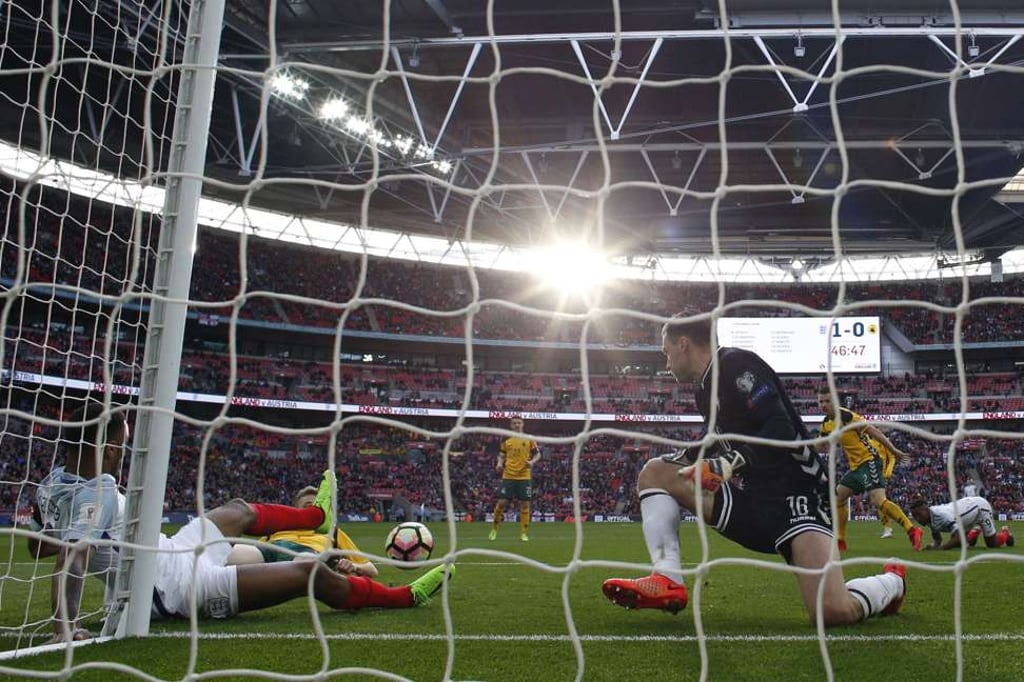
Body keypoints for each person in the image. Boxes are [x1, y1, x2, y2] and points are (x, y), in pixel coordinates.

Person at [27, 403, 451, 643]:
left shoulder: (52, 485)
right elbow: (72, 556)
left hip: (173, 549)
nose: (123, 453)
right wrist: (65, 627)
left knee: (237, 510)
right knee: (309, 573)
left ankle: (317, 516)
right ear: (106, 448)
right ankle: (404, 597)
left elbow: (39, 546)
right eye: (120, 445)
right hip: (176, 589)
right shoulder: (99, 489)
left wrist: (66, 533)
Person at [602, 314, 906, 627]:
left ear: (683, 344)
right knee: (656, 472)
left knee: (833, 612)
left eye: (666, 353)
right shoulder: (703, 391)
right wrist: (691, 459)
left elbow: (780, 428)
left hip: (798, 499)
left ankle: (892, 582)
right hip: (753, 504)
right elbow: (718, 441)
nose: (666, 363)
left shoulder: (736, 364)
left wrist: (727, 464)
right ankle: (667, 579)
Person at [815, 387, 923, 552]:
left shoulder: (847, 416)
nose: (824, 404)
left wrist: (894, 451)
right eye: (821, 401)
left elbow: (874, 431)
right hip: (856, 468)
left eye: (827, 401)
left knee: (878, 500)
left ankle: (912, 530)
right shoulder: (826, 423)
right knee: (839, 497)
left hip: (869, 461)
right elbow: (820, 444)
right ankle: (840, 540)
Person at [225, 485, 378, 577]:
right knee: (224, 553)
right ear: (294, 509)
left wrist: (354, 566)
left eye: (315, 504)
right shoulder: (278, 526)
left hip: (307, 553)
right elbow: (258, 548)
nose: (310, 503)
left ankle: (325, 568)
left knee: (306, 562)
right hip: (271, 549)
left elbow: (371, 569)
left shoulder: (333, 532)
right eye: (305, 503)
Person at [488, 416, 541, 542]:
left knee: (525, 504)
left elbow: (538, 454)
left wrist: (532, 462)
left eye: (519, 423)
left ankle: (524, 533)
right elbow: (501, 455)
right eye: (514, 423)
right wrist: (499, 464)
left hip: (524, 476)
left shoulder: (529, 439)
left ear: (523, 424)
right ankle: (494, 529)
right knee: (501, 503)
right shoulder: (506, 439)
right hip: (509, 475)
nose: (517, 425)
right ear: (511, 426)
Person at [909, 496, 1015, 550]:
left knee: (992, 544)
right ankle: (974, 532)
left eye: (919, 514)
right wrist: (933, 546)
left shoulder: (941, 515)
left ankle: (1005, 533)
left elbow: (958, 536)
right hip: (964, 517)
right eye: (914, 516)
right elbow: (938, 539)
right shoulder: (928, 518)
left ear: (926, 509)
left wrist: (941, 548)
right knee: (958, 545)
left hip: (980, 508)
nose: (917, 518)